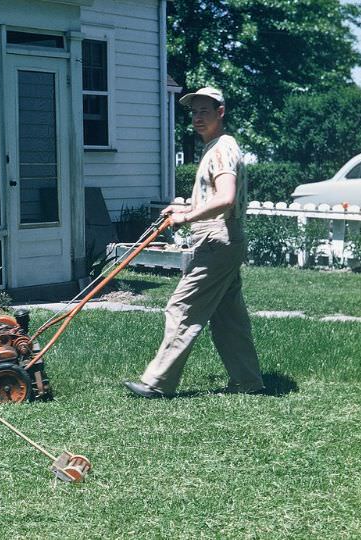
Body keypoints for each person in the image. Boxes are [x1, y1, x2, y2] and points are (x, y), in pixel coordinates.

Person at [124, 87, 264, 398]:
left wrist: (188, 218)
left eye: (205, 111)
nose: (198, 117)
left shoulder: (221, 150)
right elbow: (217, 198)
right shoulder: (219, 146)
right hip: (226, 237)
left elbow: (226, 197)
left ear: (221, 112)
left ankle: (158, 383)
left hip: (218, 238)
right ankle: (248, 380)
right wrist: (185, 208)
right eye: (194, 112)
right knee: (229, 316)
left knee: (182, 307)